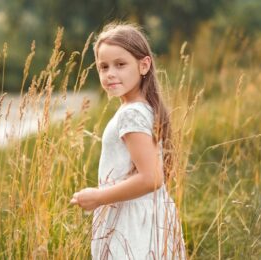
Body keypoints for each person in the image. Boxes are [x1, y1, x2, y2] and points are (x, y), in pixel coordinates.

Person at [70, 22, 186, 259]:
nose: (110, 73)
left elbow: (152, 177)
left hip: (132, 221)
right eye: (103, 67)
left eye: (120, 64)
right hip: (145, 214)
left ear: (144, 65)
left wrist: (98, 197)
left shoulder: (131, 113)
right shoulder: (141, 108)